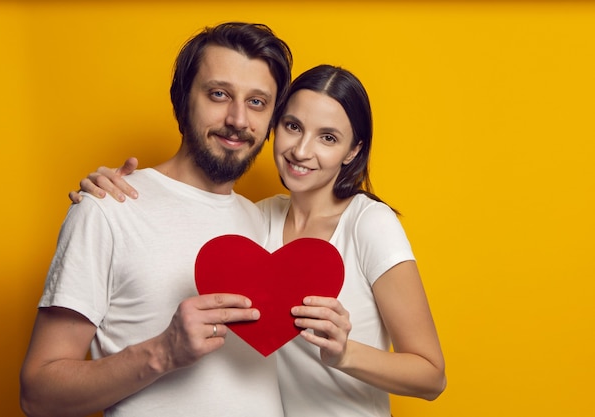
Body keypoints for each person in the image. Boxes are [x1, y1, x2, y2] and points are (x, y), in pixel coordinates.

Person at [71, 64, 447, 416]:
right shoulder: (256, 219)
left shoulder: (369, 223)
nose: (301, 151)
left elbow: (432, 376)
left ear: (353, 151)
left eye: (328, 138)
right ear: (273, 126)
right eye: (293, 126)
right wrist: (104, 192)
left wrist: (344, 353)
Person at [20, 22, 293, 417]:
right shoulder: (107, 206)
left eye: (257, 102)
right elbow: (37, 395)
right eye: (219, 94)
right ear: (182, 100)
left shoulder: (268, 224)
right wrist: (163, 352)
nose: (237, 118)